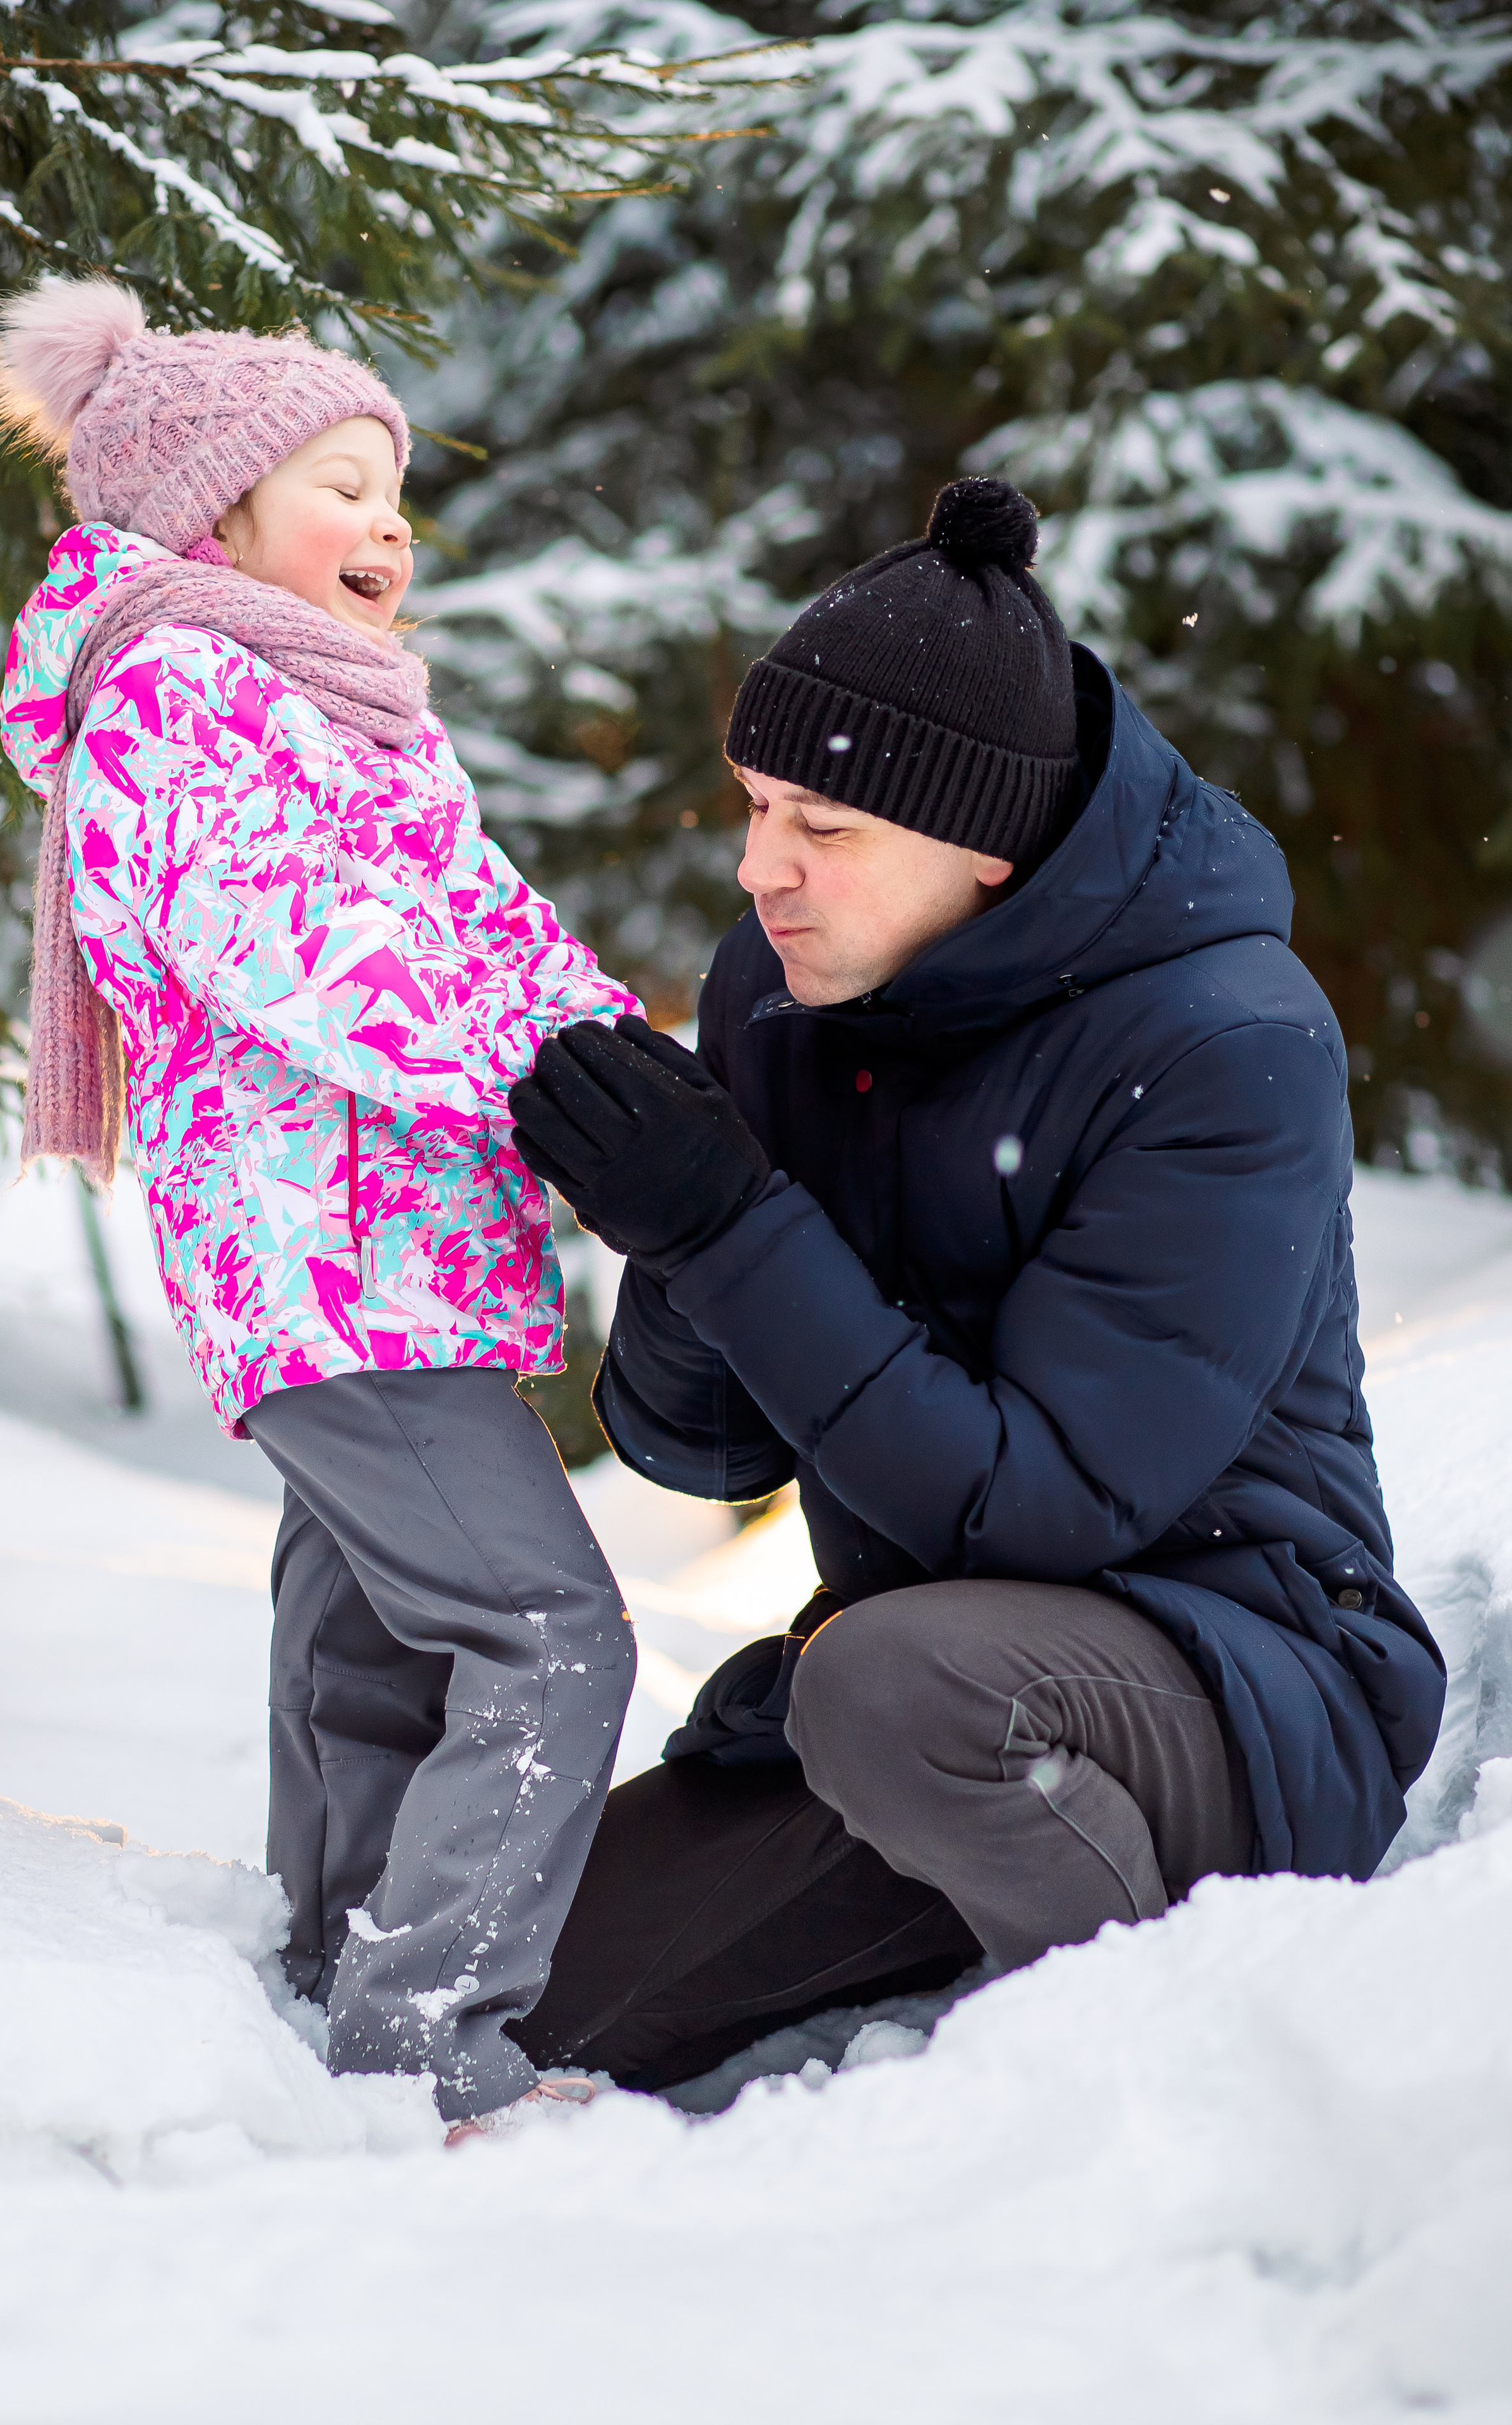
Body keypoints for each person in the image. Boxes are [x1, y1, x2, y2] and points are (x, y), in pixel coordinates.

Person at [506, 476, 1448, 2095]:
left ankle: (1126, 2078)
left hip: (1238, 1681)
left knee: (891, 1685)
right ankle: (983, 1880)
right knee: (524, 1989)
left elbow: (1047, 1507)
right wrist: (671, 1226)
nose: (757, 871)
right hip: (924, 1695)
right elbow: (703, 1453)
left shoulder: (1227, 1046)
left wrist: (734, 1231)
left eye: (821, 827)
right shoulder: (787, 985)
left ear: (986, 847)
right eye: (751, 807)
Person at [0, 275, 638, 2135]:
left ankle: (321, 1991)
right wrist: (543, 1084)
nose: (387, 523)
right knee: (547, 1635)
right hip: (330, 1262)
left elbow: (484, 922)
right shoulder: (177, 693)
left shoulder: (342, 714)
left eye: (395, 492)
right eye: (341, 484)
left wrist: (622, 1057)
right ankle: (428, 2045)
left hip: (392, 1264)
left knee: (369, 1648)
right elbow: (295, 945)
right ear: (210, 511)